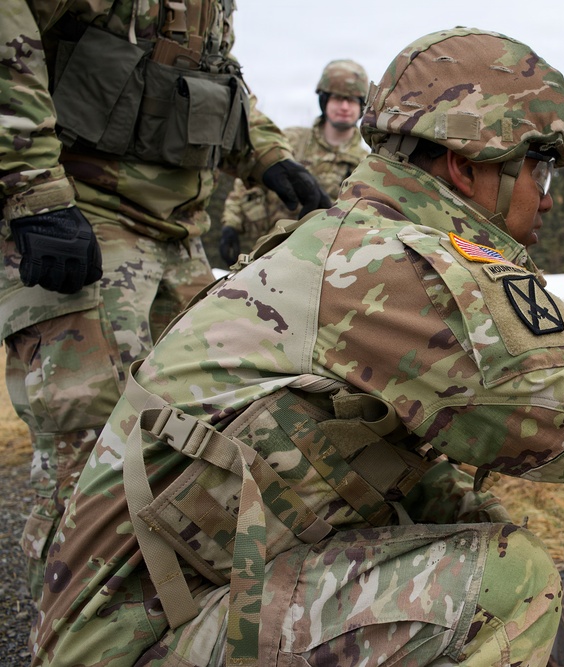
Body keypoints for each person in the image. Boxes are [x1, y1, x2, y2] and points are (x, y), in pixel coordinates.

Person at [31, 27, 564, 666]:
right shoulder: (401, 272)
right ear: (468, 165)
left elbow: (388, 467)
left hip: (169, 600)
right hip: (142, 639)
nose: (548, 195)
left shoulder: (352, 241)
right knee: (507, 581)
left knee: (480, 532)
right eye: (539, 164)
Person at [0, 0, 331, 603]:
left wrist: (271, 157)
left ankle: (148, 631)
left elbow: (208, 81)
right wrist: (35, 190)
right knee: (94, 466)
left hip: (178, 233)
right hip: (83, 220)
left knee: (194, 449)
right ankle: (72, 635)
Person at [218, 59, 370, 266]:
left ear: (362, 106)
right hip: (264, 252)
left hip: (316, 263)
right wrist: (231, 227)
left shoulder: (365, 164)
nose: (344, 107)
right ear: (324, 100)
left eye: (352, 100)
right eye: (337, 98)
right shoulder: (290, 140)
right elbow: (245, 186)